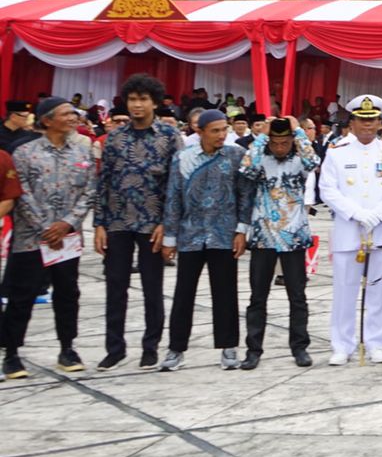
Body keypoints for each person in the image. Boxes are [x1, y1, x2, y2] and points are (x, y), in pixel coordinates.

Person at [93, 74, 183, 372]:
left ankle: (150, 347)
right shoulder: (116, 137)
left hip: (152, 225)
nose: (137, 105)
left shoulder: (169, 137)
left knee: (152, 287)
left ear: (154, 102)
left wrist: (168, 224)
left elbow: (176, 184)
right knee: (115, 287)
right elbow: (104, 181)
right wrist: (99, 224)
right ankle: (114, 349)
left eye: (143, 99)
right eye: (132, 99)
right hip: (117, 222)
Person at [1, 98, 93, 379]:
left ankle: (67, 349)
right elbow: (21, 194)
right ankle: (12, 354)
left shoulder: (82, 152)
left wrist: (66, 224)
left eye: (74, 113)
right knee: (21, 296)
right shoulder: (25, 153)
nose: (73, 117)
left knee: (68, 294)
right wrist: (45, 228)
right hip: (31, 239)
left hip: (66, 240)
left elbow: (89, 191)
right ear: (47, 120)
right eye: (66, 114)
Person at [319, 95, 382, 366]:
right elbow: (327, 189)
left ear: (380, 122)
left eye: (372, 120)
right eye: (362, 119)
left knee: (377, 290)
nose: (367, 125)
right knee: (344, 290)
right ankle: (342, 344)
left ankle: (377, 343)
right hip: (348, 229)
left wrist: (379, 214)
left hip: (380, 229)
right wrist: (357, 213)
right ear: (352, 122)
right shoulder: (337, 151)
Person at [159, 108, 249, 372]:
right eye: (215, 131)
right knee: (183, 294)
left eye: (224, 130)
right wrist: (169, 238)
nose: (221, 135)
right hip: (190, 235)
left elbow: (245, 195)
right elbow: (173, 198)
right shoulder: (183, 158)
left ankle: (228, 347)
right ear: (199, 132)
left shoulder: (236, 155)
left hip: (224, 235)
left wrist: (242, 230)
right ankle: (176, 349)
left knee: (225, 293)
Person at [234, 117, 319, 370]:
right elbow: (246, 167)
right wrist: (262, 136)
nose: (280, 148)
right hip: (264, 238)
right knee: (258, 297)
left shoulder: (299, 161)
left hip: (294, 237)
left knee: (297, 297)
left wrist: (299, 131)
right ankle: (253, 350)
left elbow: (313, 161)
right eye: (275, 143)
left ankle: (300, 347)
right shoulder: (261, 161)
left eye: (285, 143)